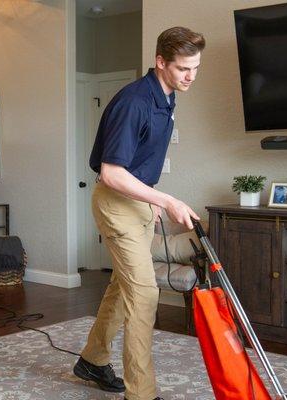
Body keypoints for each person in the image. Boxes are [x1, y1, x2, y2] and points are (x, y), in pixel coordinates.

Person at [73, 27, 205, 400]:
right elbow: (111, 172)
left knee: (123, 286)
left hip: (138, 203)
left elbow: (138, 163)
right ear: (160, 62)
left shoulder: (167, 96)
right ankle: (141, 394)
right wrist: (165, 200)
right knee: (145, 294)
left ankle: (93, 360)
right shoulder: (135, 101)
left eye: (195, 68)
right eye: (183, 69)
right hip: (116, 205)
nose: (190, 76)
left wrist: (150, 201)